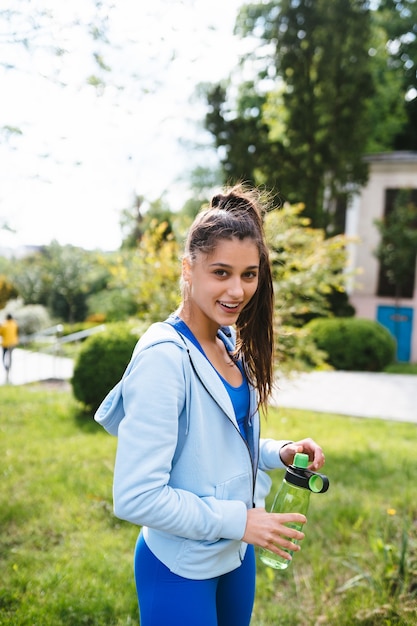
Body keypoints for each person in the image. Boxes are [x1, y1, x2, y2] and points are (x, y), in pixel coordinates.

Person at [95, 184, 325, 626]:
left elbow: (214, 450)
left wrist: (277, 451)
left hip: (236, 558)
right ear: (188, 268)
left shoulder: (227, 341)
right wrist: (240, 521)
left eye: (250, 274)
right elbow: (135, 497)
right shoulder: (163, 357)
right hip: (180, 568)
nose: (238, 290)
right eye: (221, 272)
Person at [0, 313, 19, 381]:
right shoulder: (15, 324)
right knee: (10, 356)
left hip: (5, 343)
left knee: (3, 357)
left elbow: (1, 333)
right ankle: (9, 368)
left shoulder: (4, 325)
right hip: (12, 343)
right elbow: (17, 332)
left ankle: (6, 368)